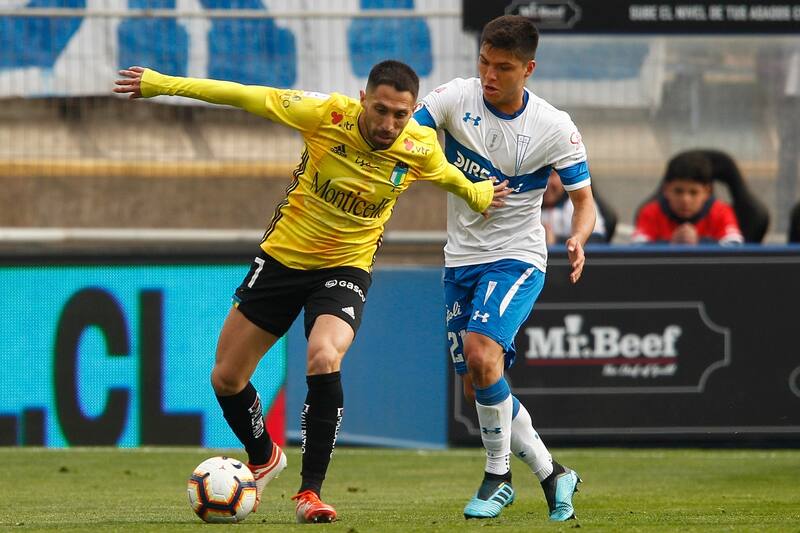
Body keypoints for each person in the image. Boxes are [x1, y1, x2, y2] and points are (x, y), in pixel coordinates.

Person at [114, 60, 509, 524]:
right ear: (362, 99)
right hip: (283, 260)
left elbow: (450, 177)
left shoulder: (418, 147)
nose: (388, 125)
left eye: (400, 115)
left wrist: (478, 194)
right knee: (226, 378)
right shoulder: (325, 115)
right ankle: (264, 456)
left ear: (412, 112)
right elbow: (242, 93)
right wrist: (161, 83)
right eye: (380, 111)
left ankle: (310, 492)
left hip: (345, 267)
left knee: (324, 355)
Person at [414, 15, 595, 522]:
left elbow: (585, 201)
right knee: (480, 379)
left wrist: (579, 236)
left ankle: (498, 476)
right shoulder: (453, 98)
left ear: (528, 69)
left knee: (480, 350)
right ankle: (552, 473)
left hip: (517, 255)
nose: (490, 76)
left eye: (504, 67)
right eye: (485, 63)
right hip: (461, 259)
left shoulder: (554, 127)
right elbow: (409, 139)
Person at [632, 151, 744, 245]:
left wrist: (698, 243)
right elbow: (637, 247)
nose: (685, 200)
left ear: (707, 191)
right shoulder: (651, 213)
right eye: (678, 191)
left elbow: (735, 246)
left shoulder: (721, 212)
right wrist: (671, 244)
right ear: (666, 189)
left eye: (694, 192)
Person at [541, 169, 607, 245]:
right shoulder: (529, 205)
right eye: (540, 176)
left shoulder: (577, 203)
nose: (546, 184)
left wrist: (556, 241)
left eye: (552, 175)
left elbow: (596, 242)